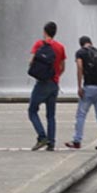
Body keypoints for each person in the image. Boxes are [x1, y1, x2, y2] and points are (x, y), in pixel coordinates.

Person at [65, 35, 97, 150]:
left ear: (81, 44)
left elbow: (80, 67)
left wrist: (79, 86)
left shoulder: (81, 53)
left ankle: (77, 140)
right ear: (90, 42)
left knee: (81, 115)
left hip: (89, 87)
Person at [27, 21, 66, 151]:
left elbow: (31, 61)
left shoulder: (39, 44)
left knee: (32, 110)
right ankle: (51, 142)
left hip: (42, 83)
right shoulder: (60, 47)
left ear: (44, 31)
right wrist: (56, 76)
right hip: (54, 83)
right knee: (51, 115)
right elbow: (62, 67)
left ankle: (42, 136)